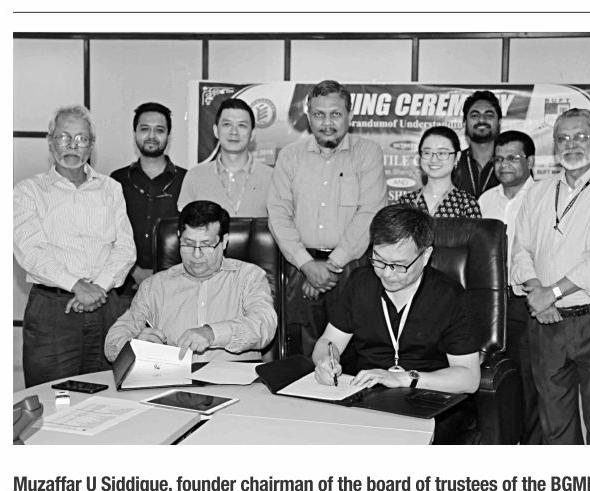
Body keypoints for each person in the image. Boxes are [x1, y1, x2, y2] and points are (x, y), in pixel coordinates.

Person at [511, 108, 590, 445]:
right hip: (544, 322)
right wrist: (538, 294)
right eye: (563, 138)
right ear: (554, 145)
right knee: (554, 421)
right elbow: (520, 251)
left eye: (580, 136)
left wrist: (551, 293)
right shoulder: (537, 192)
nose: (571, 144)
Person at [312, 204, 480, 443]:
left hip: (431, 399)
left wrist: (405, 378)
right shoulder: (360, 283)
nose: (387, 274)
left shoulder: (450, 296)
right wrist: (325, 362)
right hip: (367, 396)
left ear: (426, 256)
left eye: (399, 265)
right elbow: (329, 341)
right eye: (379, 261)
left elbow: (469, 379)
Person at [13, 105, 136, 387]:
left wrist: (98, 288)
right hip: (53, 311)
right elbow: (30, 252)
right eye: (63, 137)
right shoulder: (28, 191)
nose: (72, 145)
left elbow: (125, 248)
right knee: (51, 396)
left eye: (81, 138)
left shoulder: (111, 188)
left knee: (108, 394)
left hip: (107, 306)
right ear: (50, 141)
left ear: (91, 144)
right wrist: (77, 286)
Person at [268, 79, 387, 356]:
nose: (327, 123)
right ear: (308, 117)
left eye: (335, 114)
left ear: (350, 116)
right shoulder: (290, 156)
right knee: (301, 355)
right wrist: (308, 266)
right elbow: (278, 213)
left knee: (355, 353)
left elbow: (370, 213)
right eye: (319, 114)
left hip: (352, 267)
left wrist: (331, 266)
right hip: (299, 267)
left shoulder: (368, 153)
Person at [105, 201, 277, 363]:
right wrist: (135, 344)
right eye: (188, 244)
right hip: (172, 379)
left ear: (224, 241)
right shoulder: (155, 286)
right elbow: (112, 343)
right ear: (179, 238)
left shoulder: (249, 277)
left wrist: (213, 334)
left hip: (234, 378)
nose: (196, 255)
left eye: (206, 245)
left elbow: (265, 326)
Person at [479, 130, 541, 444]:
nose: (504, 164)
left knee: (529, 377)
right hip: (489, 302)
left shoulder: (543, 197)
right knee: (495, 377)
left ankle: (530, 446)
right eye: (499, 158)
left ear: (531, 161)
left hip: (525, 298)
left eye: (513, 158)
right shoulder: (485, 200)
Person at [110, 102, 187, 304]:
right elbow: (107, 234)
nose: (151, 136)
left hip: (173, 289)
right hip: (123, 288)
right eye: (145, 129)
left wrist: (160, 274)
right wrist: (135, 271)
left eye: (159, 130)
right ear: (135, 133)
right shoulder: (117, 180)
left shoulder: (186, 180)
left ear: (168, 135)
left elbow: (192, 235)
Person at [178, 98, 273, 217]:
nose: (234, 132)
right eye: (227, 124)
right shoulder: (194, 176)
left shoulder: (272, 178)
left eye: (242, 125)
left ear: (252, 134)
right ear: (216, 131)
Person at [398, 126, 481, 218]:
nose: (434, 159)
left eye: (442, 153)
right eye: (427, 153)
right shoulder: (405, 203)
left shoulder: (467, 204)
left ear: (457, 157)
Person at [452, 90, 501, 200]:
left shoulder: (511, 164)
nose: (482, 120)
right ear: (465, 122)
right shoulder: (452, 163)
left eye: (489, 115)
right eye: (474, 115)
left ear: (499, 122)